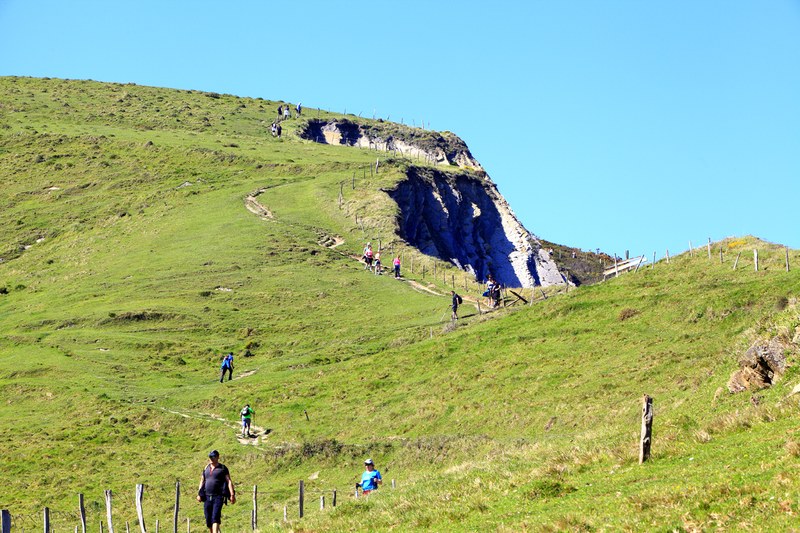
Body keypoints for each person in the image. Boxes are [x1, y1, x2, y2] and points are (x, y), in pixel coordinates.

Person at [197, 450, 236, 533]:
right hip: (207, 497)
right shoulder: (206, 468)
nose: (211, 458)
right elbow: (202, 480)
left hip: (218, 496)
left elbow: (229, 481)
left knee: (215, 517)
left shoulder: (223, 468)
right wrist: (199, 494)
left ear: (218, 457)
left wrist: (232, 494)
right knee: (208, 519)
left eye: (213, 457)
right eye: (210, 457)